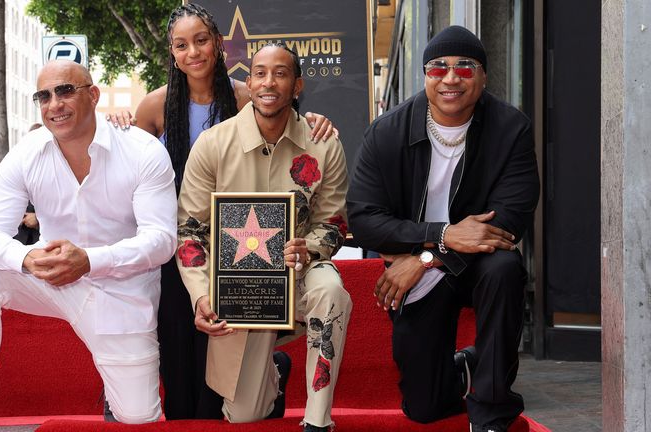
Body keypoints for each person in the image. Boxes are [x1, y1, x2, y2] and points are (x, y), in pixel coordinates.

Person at [108, 3, 336, 420]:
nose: (192, 52)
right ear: (172, 53)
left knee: (220, 364)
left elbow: (287, 121)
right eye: (181, 45)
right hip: (179, 240)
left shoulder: (248, 95)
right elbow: (123, 169)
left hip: (240, 244)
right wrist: (117, 122)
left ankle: (265, 375)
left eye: (200, 41)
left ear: (217, 44)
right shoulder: (154, 106)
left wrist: (317, 120)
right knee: (181, 342)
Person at [0, 60, 177, 432]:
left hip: (121, 290)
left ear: (93, 95)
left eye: (65, 91)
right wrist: (27, 257)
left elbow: (161, 241)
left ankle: (115, 393)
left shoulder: (142, 150)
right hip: (52, 280)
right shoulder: (26, 153)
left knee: (139, 420)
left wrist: (90, 260)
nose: (54, 103)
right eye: (44, 96)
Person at [346, 26, 540, 432]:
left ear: (483, 77)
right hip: (422, 263)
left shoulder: (511, 129)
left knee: (505, 268)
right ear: (425, 75)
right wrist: (440, 240)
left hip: (478, 265)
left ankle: (491, 411)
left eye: (465, 68)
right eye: (439, 68)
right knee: (424, 406)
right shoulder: (387, 132)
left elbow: (508, 223)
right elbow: (363, 221)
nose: (451, 78)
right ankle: (465, 366)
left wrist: (429, 256)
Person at [177, 44, 350, 432]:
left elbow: (334, 223)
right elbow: (189, 230)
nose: (268, 82)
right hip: (240, 287)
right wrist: (201, 295)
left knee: (331, 290)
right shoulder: (212, 145)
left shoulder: (324, 145)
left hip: (302, 272)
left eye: (280, 73)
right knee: (245, 416)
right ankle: (277, 368)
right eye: (259, 73)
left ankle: (318, 420)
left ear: (297, 85)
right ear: (249, 82)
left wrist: (310, 249)